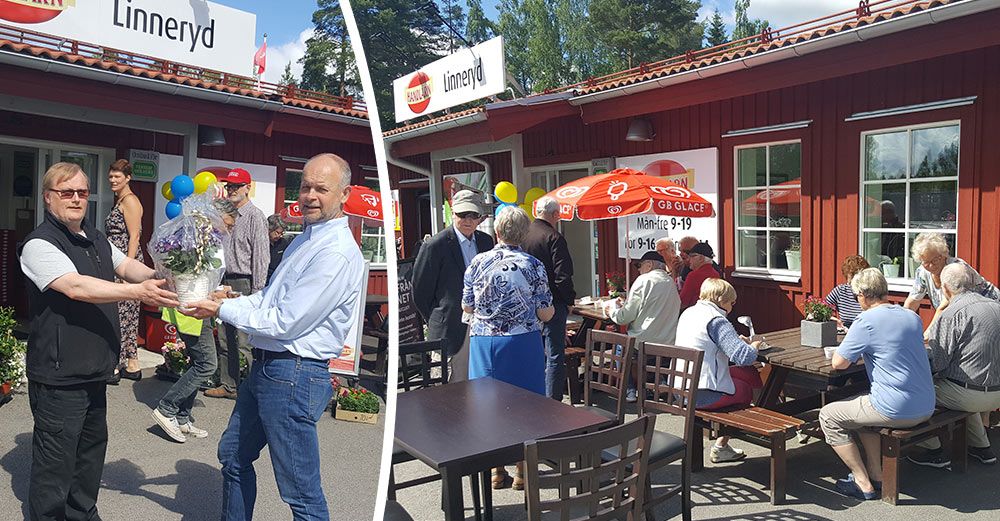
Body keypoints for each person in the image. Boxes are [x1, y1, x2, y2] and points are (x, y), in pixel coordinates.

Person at [182, 153, 363, 520]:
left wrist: (220, 310)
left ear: (344, 194)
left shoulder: (337, 254)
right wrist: (230, 297)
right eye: (306, 186)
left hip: (293, 374)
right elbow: (270, 297)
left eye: (321, 189)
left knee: (301, 494)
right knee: (233, 456)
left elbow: (285, 322)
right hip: (269, 369)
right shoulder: (306, 239)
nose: (310, 195)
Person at [18, 162, 179, 521]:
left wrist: (167, 278)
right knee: (55, 464)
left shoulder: (96, 238)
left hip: (94, 371)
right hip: (59, 376)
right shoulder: (38, 244)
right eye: (66, 192)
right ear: (48, 198)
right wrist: (138, 292)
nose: (76, 199)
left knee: (89, 456)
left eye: (82, 192)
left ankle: (82, 513)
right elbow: (75, 287)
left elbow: (127, 266)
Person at [818, 268, 934, 500]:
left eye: (854, 296)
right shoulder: (911, 316)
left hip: (896, 408)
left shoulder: (866, 320)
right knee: (861, 409)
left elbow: (839, 363)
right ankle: (876, 473)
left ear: (863, 294)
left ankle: (861, 481)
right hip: (926, 403)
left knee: (828, 415)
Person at [463, 206, 554, 490]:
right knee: (527, 407)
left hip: (485, 342)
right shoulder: (533, 265)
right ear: (524, 234)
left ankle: (496, 470)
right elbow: (545, 313)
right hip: (522, 342)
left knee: (488, 407)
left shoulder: (477, 262)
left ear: (497, 232)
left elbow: (467, 305)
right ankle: (522, 471)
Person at [151, 198, 239, 443]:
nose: (228, 230)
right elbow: (190, 276)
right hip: (192, 310)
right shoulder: (196, 238)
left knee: (198, 362)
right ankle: (167, 408)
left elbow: (203, 276)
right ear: (217, 217)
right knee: (207, 365)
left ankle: (182, 416)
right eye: (228, 224)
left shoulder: (203, 238)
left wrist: (218, 288)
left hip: (199, 307)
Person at [907, 263, 1000, 468]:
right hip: (996, 394)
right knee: (964, 384)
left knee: (914, 391)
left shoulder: (951, 314)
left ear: (946, 289)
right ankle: (981, 447)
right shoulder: (996, 306)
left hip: (969, 395)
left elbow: (939, 363)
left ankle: (932, 448)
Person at [677, 278, 762, 463]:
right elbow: (744, 357)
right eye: (731, 303)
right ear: (722, 300)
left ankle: (726, 443)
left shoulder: (689, 313)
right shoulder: (717, 321)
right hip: (703, 395)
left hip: (681, 387)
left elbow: (708, 344)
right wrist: (754, 345)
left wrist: (737, 343)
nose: (731, 307)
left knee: (748, 374)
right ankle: (753, 426)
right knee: (747, 389)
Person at [412, 190, 494, 381]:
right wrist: (437, 316)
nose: (468, 220)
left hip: (481, 327)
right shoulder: (435, 245)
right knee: (448, 391)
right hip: (449, 328)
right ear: (453, 213)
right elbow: (420, 291)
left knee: (480, 386)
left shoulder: (486, 242)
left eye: (473, 215)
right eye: (462, 214)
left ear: (480, 217)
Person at [205, 167, 270, 400]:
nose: (231, 190)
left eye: (236, 186)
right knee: (224, 337)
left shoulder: (255, 217)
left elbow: (261, 257)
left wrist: (258, 293)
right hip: (224, 279)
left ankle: (254, 389)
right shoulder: (224, 214)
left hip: (244, 281)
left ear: (247, 188)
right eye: (229, 186)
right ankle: (229, 384)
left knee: (245, 341)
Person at [608, 250, 681, 403]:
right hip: (668, 343)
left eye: (639, 266)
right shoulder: (670, 283)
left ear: (649, 265)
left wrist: (612, 310)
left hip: (643, 343)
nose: (639, 269)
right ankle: (659, 382)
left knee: (619, 347)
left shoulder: (644, 280)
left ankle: (629, 390)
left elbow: (623, 318)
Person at [522, 196, 575, 400]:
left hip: (526, 303)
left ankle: (535, 396)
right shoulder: (554, 237)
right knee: (554, 355)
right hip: (552, 303)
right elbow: (563, 275)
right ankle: (552, 400)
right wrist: (569, 299)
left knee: (534, 352)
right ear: (555, 215)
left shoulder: (524, 235)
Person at [903, 232, 999, 331]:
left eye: (935, 260)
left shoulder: (957, 269)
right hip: (968, 315)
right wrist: (901, 322)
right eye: (926, 262)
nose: (931, 266)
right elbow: (913, 301)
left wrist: (928, 335)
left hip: (990, 313)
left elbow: (944, 307)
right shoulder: (922, 272)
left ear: (944, 254)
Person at [104, 158, 144, 383]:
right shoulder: (119, 200)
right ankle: (132, 364)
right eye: (110, 176)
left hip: (125, 264)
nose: (113, 180)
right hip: (117, 261)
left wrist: (125, 270)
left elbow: (134, 236)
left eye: (117, 176)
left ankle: (116, 366)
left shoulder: (129, 201)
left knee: (121, 313)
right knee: (126, 314)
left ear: (128, 178)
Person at [825, 255, 870, 329]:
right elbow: (819, 311)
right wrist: (832, 319)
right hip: (845, 334)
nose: (855, 280)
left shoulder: (870, 292)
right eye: (852, 276)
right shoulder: (840, 291)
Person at [678, 242, 721, 308]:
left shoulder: (694, 275)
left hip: (695, 313)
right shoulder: (716, 274)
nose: (689, 259)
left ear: (701, 258)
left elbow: (682, 302)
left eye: (692, 256)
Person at [267, 213, 291, 284]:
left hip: (277, 279)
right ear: (270, 229)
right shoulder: (261, 243)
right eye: (277, 233)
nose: (280, 235)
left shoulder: (283, 243)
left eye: (282, 233)